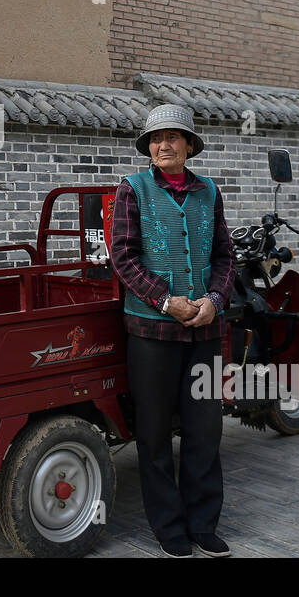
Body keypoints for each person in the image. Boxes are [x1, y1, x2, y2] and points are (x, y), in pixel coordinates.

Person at [109, 104, 235, 558]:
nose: (165, 144)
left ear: (189, 146)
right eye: (157, 138)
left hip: (203, 334)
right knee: (156, 433)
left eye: (174, 137)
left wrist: (215, 301)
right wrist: (165, 300)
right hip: (151, 334)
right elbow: (122, 257)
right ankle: (169, 528)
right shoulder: (133, 190)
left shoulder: (209, 192)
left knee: (205, 431)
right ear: (148, 147)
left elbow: (224, 256)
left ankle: (204, 524)